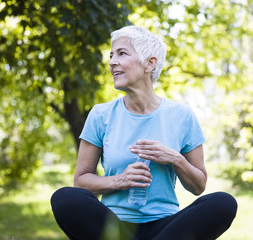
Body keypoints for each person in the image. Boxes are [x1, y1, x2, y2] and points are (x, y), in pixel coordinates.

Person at [51, 25, 237, 240]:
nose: (112, 62)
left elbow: (199, 185)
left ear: (150, 63)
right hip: (114, 228)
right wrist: (120, 180)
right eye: (111, 55)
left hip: (167, 229)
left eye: (121, 53)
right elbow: (81, 182)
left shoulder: (182, 115)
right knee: (65, 198)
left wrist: (175, 159)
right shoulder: (101, 114)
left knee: (223, 203)